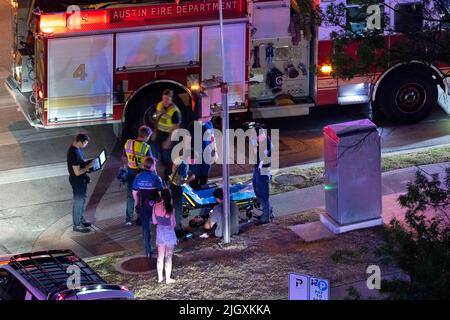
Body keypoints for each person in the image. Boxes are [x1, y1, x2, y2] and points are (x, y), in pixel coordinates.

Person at [132, 157, 163, 258]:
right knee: (162, 226)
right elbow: (161, 192)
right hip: (155, 206)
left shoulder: (138, 177)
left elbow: (134, 192)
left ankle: (148, 251)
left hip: (143, 206)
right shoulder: (156, 178)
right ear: (153, 166)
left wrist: (136, 204)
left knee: (146, 229)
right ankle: (163, 248)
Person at [122, 125, 153, 226]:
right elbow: (151, 163)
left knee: (130, 197)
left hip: (131, 173)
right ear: (146, 136)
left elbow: (124, 156)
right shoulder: (146, 147)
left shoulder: (128, 143)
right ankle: (140, 218)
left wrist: (126, 167)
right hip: (141, 175)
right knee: (142, 197)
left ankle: (128, 219)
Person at [151, 89, 182, 180]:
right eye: (164, 98)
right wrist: (155, 131)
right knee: (157, 153)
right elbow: (157, 118)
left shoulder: (174, 111)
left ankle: (168, 177)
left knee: (168, 158)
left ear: (171, 99)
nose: (165, 101)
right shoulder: (159, 105)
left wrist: (168, 141)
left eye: (168, 99)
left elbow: (176, 127)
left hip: (169, 135)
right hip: (159, 133)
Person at [67, 133, 95, 233]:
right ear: (80, 142)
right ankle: (77, 225)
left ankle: (81, 220)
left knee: (82, 200)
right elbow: (77, 172)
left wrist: (89, 163)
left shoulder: (78, 149)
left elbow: (80, 163)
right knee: (78, 202)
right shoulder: (73, 153)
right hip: (77, 181)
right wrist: (88, 167)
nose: (86, 145)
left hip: (81, 180)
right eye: (85, 143)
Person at [169, 150, 197, 236]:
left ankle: (177, 224)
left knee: (175, 207)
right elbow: (179, 181)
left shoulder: (179, 159)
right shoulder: (184, 165)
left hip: (172, 184)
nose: (195, 162)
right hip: (177, 187)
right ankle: (177, 229)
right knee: (178, 209)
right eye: (194, 160)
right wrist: (189, 179)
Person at [152, 188, 177, 284]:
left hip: (160, 232)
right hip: (169, 233)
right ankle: (168, 278)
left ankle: (160, 278)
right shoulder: (171, 208)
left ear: (161, 196)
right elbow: (173, 223)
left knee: (160, 256)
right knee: (169, 256)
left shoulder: (155, 206)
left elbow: (154, 221)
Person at [251, 126, 274, 225]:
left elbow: (263, 159)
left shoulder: (266, 145)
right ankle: (268, 213)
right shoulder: (264, 143)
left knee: (263, 194)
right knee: (258, 191)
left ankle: (266, 217)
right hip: (259, 170)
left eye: (255, 136)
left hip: (262, 172)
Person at [187, 115, 217, 190]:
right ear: (202, 116)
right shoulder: (192, 125)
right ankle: (194, 192)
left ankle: (203, 190)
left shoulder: (209, 124)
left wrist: (215, 152)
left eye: (211, 116)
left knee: (204, 174)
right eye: (208, 116)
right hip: (195, 155)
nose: (210, 118)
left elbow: (212, 139)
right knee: (194, 175)